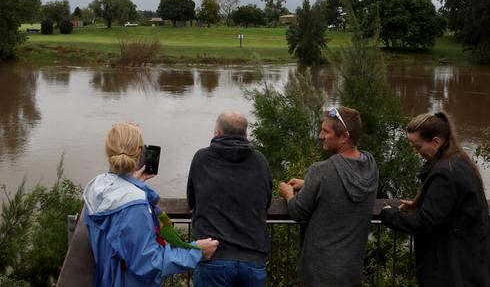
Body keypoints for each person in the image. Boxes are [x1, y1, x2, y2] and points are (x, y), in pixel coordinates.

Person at [83, 123, 219, 287]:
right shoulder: (134, 205)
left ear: (108, 151)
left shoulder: (96, 187)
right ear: (140, 152)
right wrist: (196, 252)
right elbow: (149, 264)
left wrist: (133, 183)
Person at [380, 112, 490, 286]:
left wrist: (388, 215)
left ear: (436, 142)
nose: (416, 152)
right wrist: (421, 206)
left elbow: (426, 223)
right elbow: (450, 211)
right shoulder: (459, 162)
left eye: (418, 147)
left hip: (451, 270)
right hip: (468, 263)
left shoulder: (446, 173)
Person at [278, 106, 378, 287]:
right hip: (351, 270)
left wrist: (288, 194)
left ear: (344, 136)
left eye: (326, 131)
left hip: (320, 271)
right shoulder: (370, 165)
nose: (320, 136)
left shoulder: (321, 171)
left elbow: (298, 212)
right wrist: (310, 184)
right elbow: (339, 184)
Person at [187, 111, 272, 286]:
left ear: (217, 133)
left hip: (213, 256)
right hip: (253, 259)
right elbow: (267, 201)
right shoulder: (260, 160)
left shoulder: (202, 158)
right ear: (245, 134)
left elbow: (191, 201)